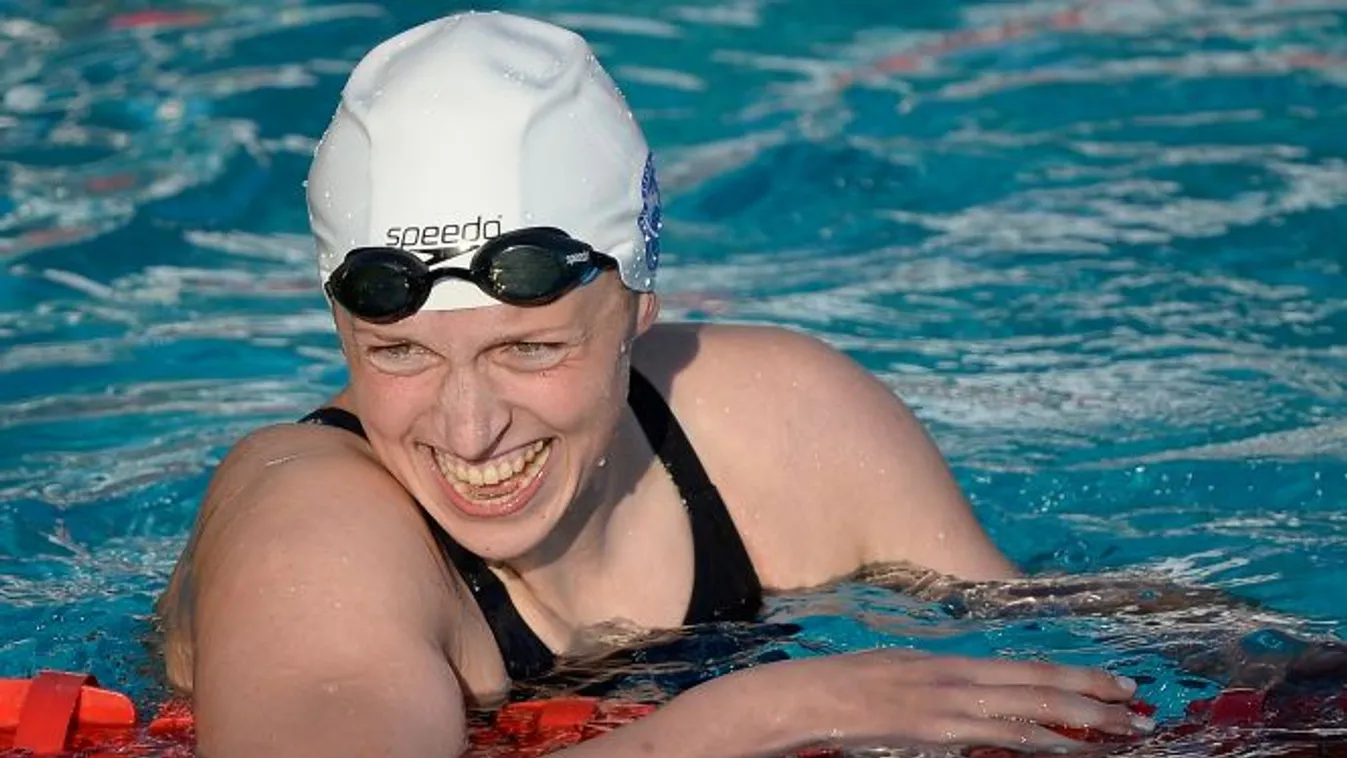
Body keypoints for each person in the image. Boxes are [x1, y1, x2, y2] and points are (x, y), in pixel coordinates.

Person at [155, 11, 1151, 758]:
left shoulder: (783, 419)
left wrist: (1271, 667)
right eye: (400, 353)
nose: (469, 428)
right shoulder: (311, 527)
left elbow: (1047, 650)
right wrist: (756, 715)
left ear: (637, 307)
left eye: (530, 349)